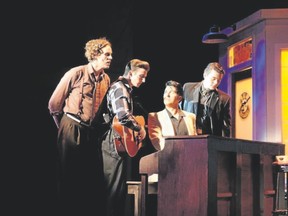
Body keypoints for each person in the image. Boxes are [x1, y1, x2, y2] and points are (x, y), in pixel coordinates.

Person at [48, 37, 112, 215]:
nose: (110, 58)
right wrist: (64, 127)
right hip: (71, 126)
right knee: (68, 177)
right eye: (107, 54)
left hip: (90, 132)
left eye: (111, 55)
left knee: (90, 179)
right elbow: (54, 104)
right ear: (95, 54)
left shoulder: (106, 79)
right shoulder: (76, 73)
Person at [101, 58, 150, 216]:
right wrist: (139, 129)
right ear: (130, 73)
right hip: (112, 140)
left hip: (117, 141)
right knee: (113, 189)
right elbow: (122, 116)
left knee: (118, 188)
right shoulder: (120, 88)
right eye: (141, 76)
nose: (144, 80)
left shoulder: (126, 89)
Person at [180, 62, 231, 137]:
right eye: (213, 79)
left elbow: (226, 127)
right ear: (205, 75)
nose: (216, 83)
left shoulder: (224, 98)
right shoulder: (188, 88)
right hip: (188, 137)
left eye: (219, 80)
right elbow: (179, 112)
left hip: (210, 140)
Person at [148, 80, 197, 151]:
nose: (167, 95)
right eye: (165, 92)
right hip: (168, 157)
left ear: (179, 98)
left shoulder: (190, 117)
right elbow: (157, 141)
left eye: (171, 92)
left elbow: (195, 141)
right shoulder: (155, 117)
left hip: (189, 157)